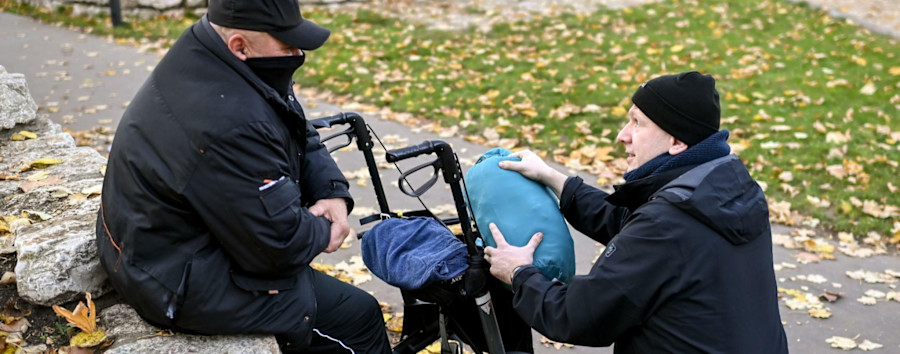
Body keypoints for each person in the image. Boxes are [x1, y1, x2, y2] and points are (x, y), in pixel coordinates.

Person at [95, 0, 390, 352]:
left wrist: (332, 193)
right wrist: (325, 229)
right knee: (357, 316)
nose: (297, 54)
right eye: (287, 44)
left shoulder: (212, 52)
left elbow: (295, 123)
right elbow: (279, 248)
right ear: (240, 45)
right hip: (175, 279)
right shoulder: (229, 121)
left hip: (155, 242)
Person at [483, 71, 789, 352]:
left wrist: (518, 272)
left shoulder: (668, 223)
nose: (622, 135)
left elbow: (576, 317)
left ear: (677, 140)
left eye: (637, 123)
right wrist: (554, 179)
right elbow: (631, 227)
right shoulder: (728, 187)